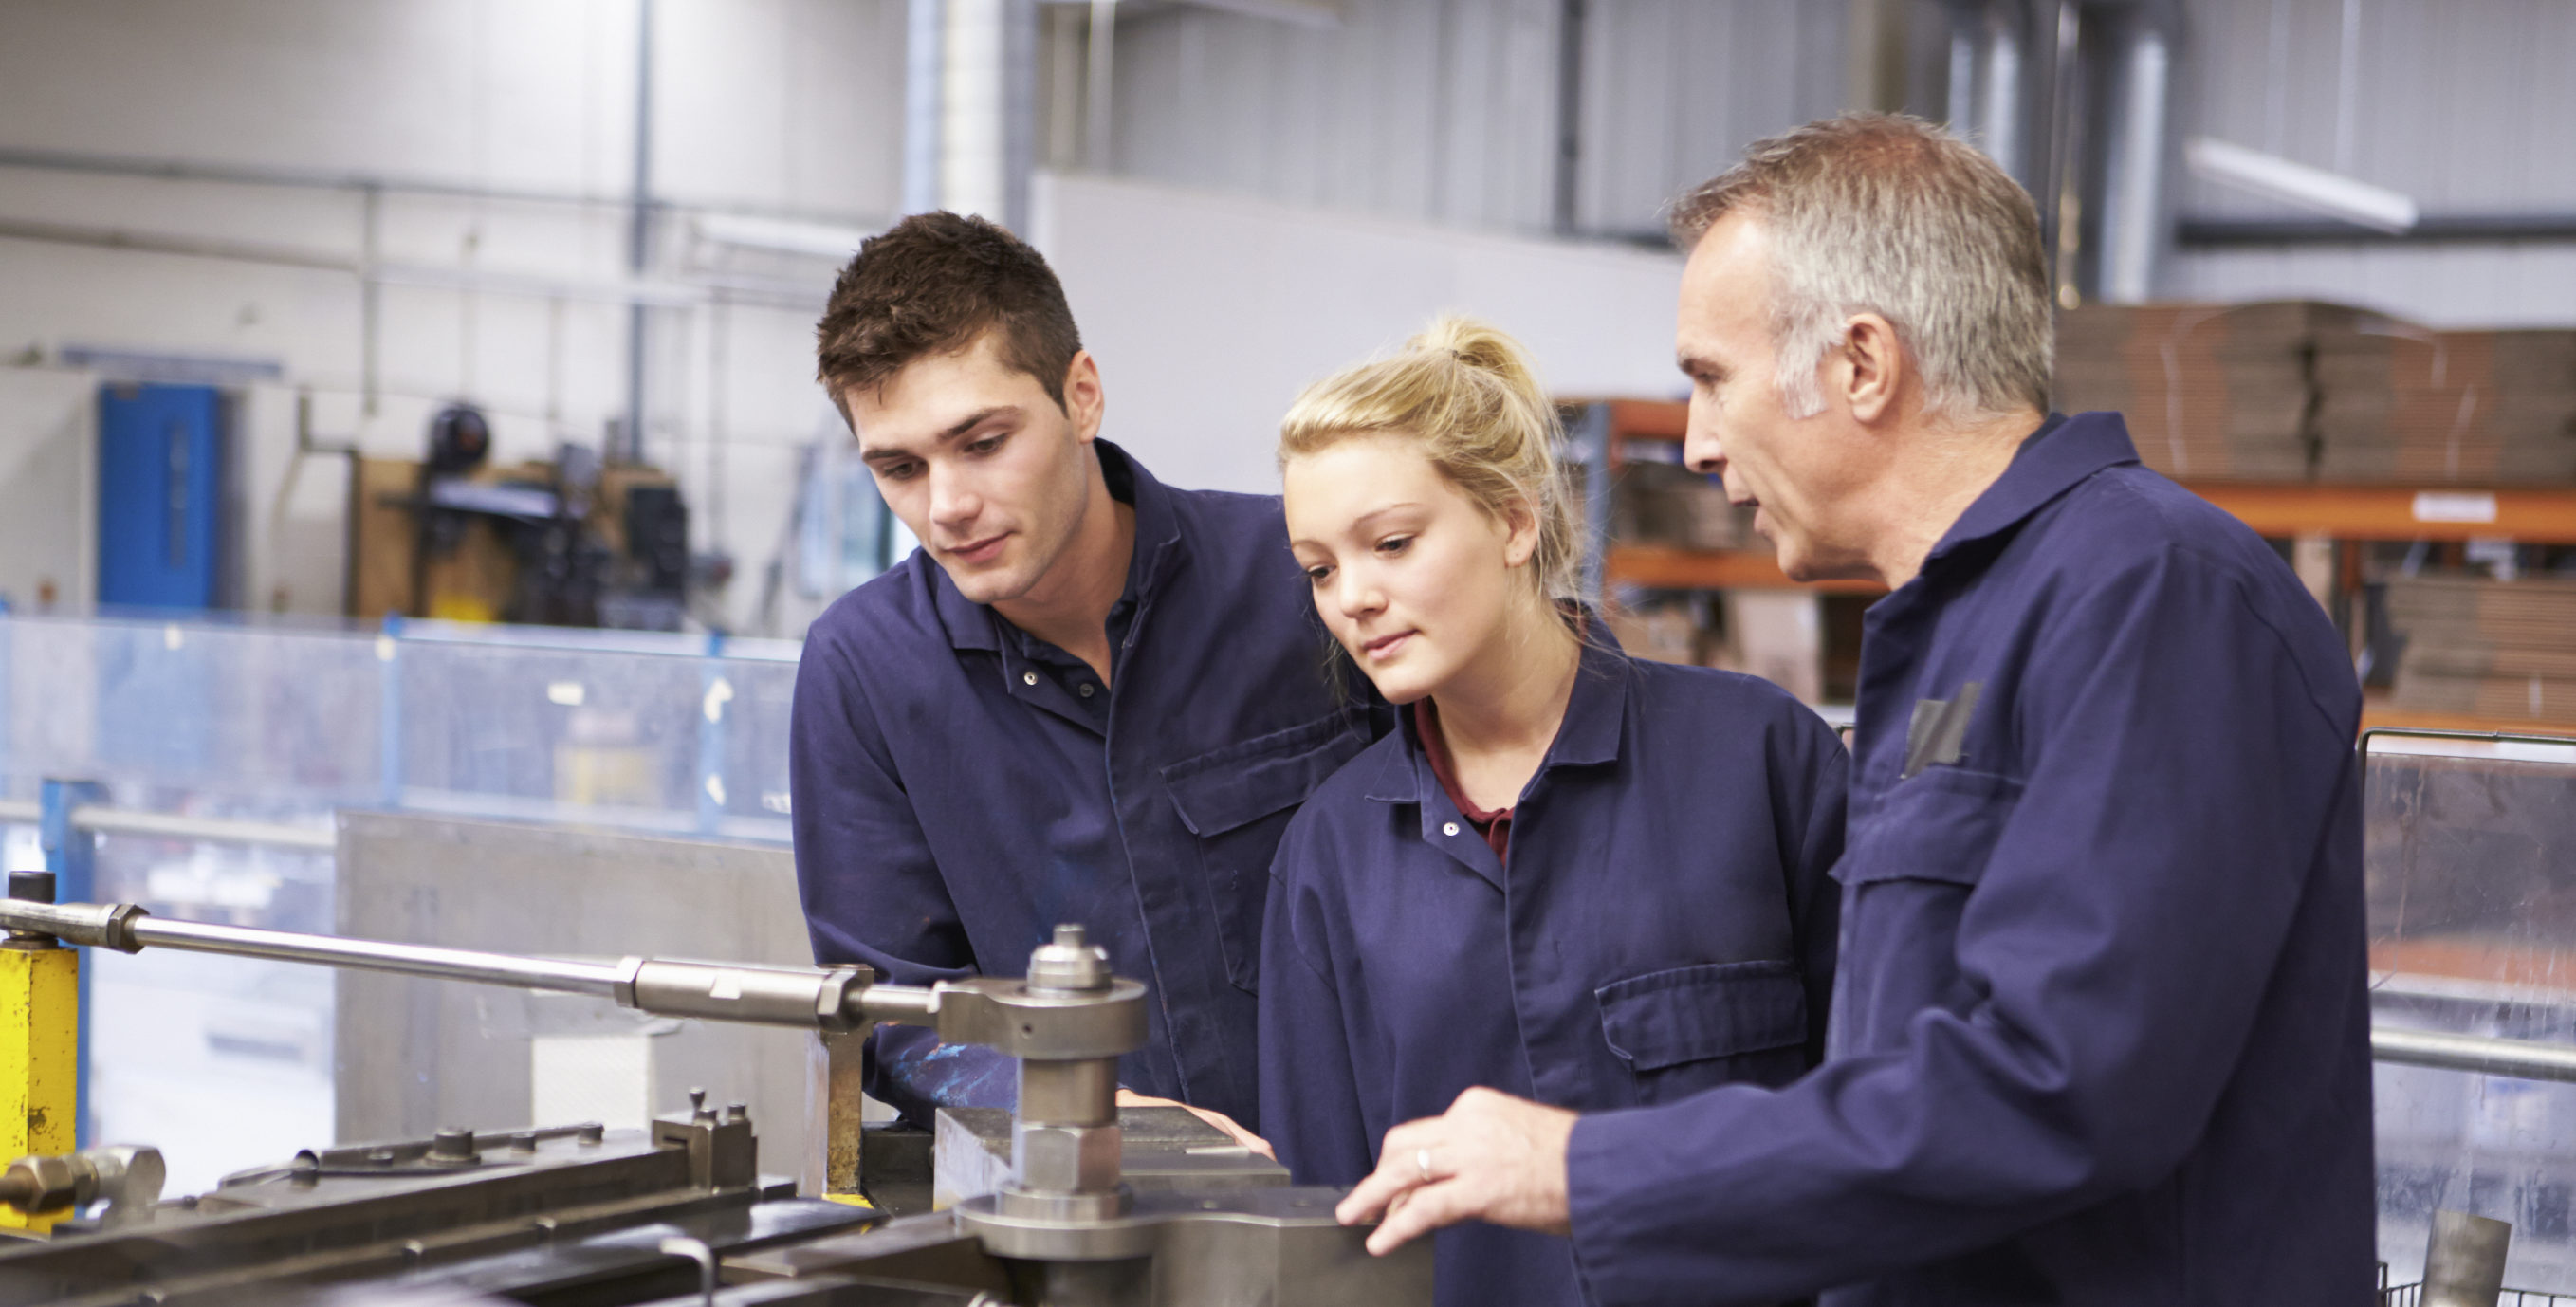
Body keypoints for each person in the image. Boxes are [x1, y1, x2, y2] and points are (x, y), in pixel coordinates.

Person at [1334, 115, 2375, 1305]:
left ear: (1861, 365)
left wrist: (1587, 1161)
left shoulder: (2153, 598)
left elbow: (2060, 1082)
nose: (1698, 443)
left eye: (1711, 381)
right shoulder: (1960, 628)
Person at [1259, 318, 1849, 1307]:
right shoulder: (1331, 851)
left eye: (1392, 543)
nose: (1353, 597)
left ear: (1512, 522)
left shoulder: (1760, 759)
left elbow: (1883, 1117)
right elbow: (1330, 1222)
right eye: (1319, 568)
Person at [792, 212, 1378, 1144]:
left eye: (982, 442)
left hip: (1373, 1199)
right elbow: (890, 1011)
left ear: (1083, 395)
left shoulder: (1300, 581)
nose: (946, 507)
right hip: (1087, 1229)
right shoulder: (863, 672)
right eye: (899, 467)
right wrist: (1088, 1115)